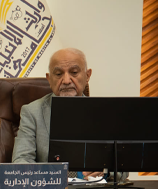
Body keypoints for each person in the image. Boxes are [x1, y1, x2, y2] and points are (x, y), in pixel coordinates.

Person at [11, 47, 105, 179]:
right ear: (49, 79)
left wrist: (104, 169)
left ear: (87, 75)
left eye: (74, 72)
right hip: (49, 187)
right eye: (58, 74)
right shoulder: (32, 112)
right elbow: (21, 161)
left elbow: (122, 168)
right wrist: (52, 175)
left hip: (90, 188)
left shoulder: (101, 112)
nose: (66, 80)